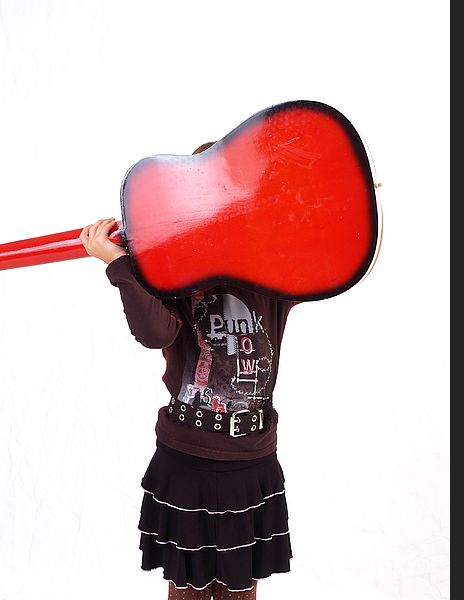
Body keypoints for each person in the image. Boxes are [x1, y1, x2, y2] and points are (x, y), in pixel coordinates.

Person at [79, 141, 299, 599]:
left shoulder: (278, 269)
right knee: (190, 593)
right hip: (189, 458)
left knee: (241, 590)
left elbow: (326, 251)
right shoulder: (174, 270)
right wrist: (120, 264)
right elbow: (154, 334)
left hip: (250, 457)